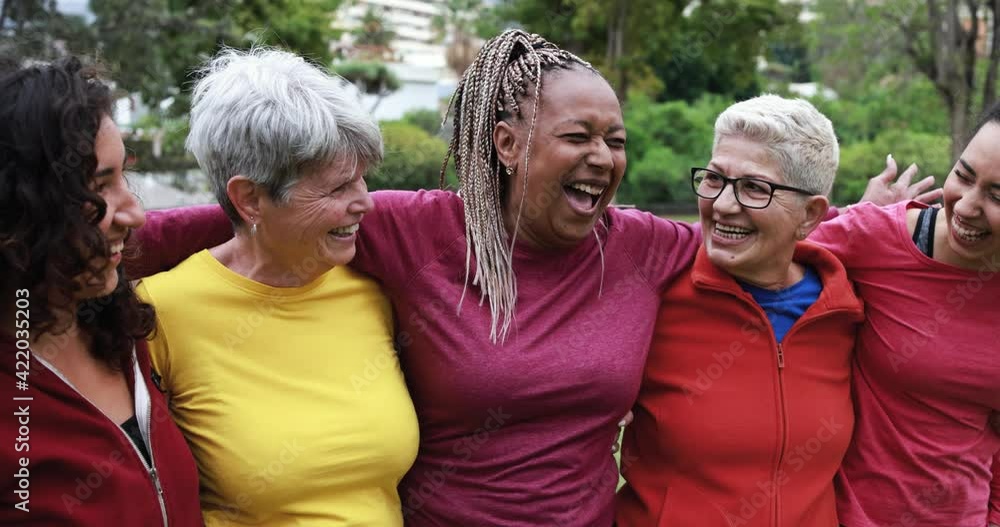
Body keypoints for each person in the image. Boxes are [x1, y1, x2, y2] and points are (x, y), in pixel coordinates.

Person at [129, 31, 700, 525]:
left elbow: (742, 246)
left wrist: (794, 226)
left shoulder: (642, 246)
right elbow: (267, 218)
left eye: (616, 140)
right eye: (578, 137)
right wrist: (82, 242)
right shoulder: (417, 231)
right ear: (506, 144)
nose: (602, 156)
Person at [133, 49, 419, 525]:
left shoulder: (373, 290)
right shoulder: (160, 312)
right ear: (250, 199)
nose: (365, 203)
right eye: (337, 188)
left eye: (364, 178)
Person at [616, 95, 864, 526]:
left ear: (810, 215)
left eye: (754, 188)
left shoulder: (849, 312)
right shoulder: (651, 297)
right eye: (714, 179)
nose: (724, 205)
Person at [0, 58, 202, 525]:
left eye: (122, 177)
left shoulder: (116, 323)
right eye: (98, 187)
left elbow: (184, 229)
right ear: (20, 210)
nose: (134, 214)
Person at [809, 101, 1000, 526]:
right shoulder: (876, 236)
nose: (967, 206)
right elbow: (753, 263)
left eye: (997, 196)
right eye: (963, 177)